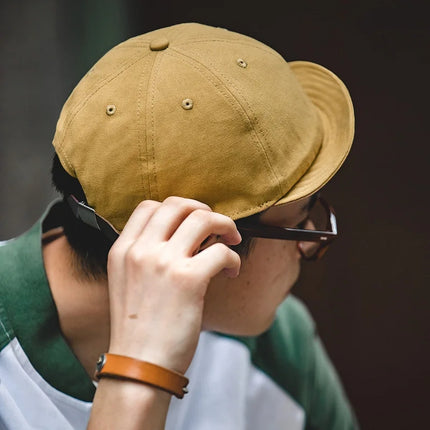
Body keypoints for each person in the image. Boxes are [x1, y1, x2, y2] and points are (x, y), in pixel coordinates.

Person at [0, 22, 359, 429]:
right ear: (205, 246)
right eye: (301, 223)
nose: (308, 248)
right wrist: (140, 376)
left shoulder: (276, 343)